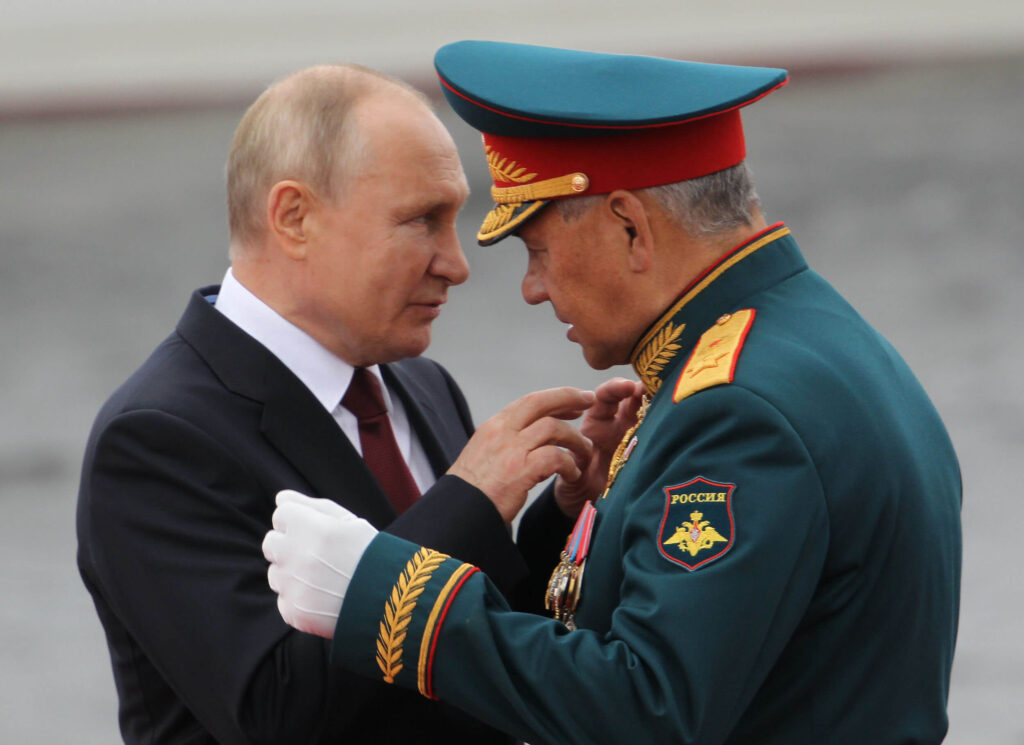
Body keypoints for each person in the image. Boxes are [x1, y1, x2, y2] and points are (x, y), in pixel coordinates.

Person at [264, 42, 964, 745]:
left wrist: (392, 594)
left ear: (630, 226)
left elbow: (646, 710)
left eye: (538, 251)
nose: (532, 287)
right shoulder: (801, 339)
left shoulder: (736, 410)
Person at [76, 63, 597, 745]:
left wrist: (559, 509)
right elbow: (275, 712)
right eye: (423, 221)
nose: (456, 262)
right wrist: (471, 500)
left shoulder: (422, 386)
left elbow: (468, 644)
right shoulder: (156, 438)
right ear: (294, 218)